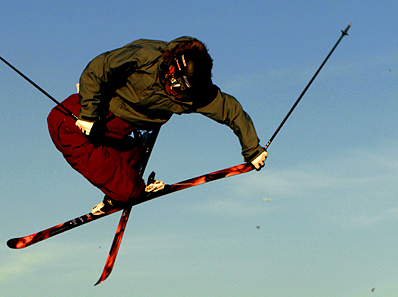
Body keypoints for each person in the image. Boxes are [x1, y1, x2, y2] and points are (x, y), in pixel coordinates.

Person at [47, 36, 267, 215]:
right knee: (59, 121)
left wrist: (252, 149)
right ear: (171, 67)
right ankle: (129, 163)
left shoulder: (196, 94)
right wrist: (88, 111)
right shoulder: (147, 57)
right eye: (173, 82)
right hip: (102, 106)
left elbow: (231, 110)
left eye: (181, 90)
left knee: (126, 190)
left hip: (127, 123)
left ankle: (128, 186)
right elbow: (98, 68)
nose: (174, 90)